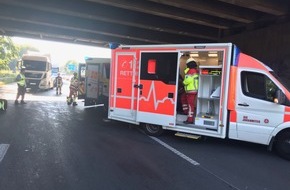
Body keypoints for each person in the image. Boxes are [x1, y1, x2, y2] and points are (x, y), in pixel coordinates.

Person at [182, 58, 199, 124]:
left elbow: (187, 80)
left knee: (190, 105)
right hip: (192, 91)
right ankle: (186, 112)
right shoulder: (195, 71)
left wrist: (183, 82)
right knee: (183, 98)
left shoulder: (190, 71)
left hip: (190, 91)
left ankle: (190, 119)